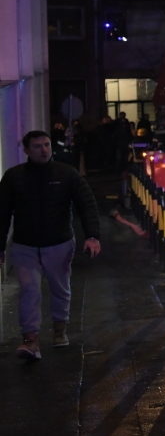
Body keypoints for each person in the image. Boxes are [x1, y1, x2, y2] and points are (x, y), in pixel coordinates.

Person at [0, 130, 102, 359]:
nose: (44, 150)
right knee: (29, 289)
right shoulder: (14, 177)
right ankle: (30, 339)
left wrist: (92, 236)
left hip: (59, 242)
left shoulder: (66, 174)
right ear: (26, 150)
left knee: (60, 288)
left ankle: (59, 329)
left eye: (46, 145)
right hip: (25, 245)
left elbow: (87, 204)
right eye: (37, 146)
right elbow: (2, 213)